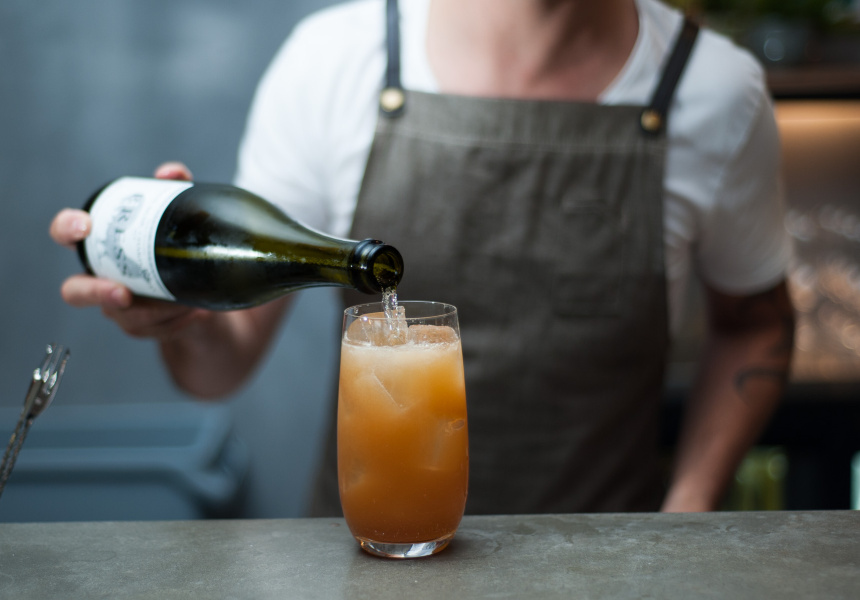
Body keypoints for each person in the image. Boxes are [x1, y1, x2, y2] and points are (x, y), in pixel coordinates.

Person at [50, 0, 795, 514]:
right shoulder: (335, 59)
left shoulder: (716, 93)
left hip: (604, 562)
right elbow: (221, 367)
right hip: (368, 561)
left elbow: (757, 322)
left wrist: (690, 503)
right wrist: (180, 315)